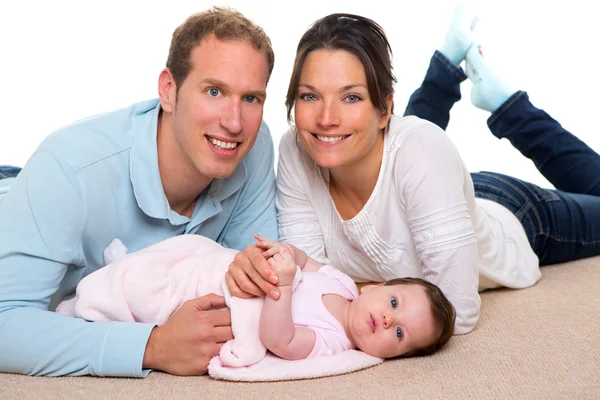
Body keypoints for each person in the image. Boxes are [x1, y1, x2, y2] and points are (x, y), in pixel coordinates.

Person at [226, 10, 600, 336]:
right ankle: (446, 65)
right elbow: (308, 283)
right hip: (435, 192)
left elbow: (456, 309)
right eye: (309, 96)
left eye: (351, 96)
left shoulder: (422, 153)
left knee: (415, 143)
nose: (325, 118)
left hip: (516, 217)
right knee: (384, 141)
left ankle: (508, 106)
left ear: (385, 108)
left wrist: (360, 288)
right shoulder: (297, 147)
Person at [0, 7, 279, 377]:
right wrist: (153, 345)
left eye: (251, 98)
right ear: (168, 89)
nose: (234, 121)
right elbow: (7, 323)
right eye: (214, 91)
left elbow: (257, 285)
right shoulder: (68, 167)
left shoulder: (253, 144)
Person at [55, 233, 456, 360]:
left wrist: (281, 287)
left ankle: (89, 302)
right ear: (377, 287)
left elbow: (278, 339)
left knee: (149, 294)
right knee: (192, 249)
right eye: (394, 305)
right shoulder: (343, 284)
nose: (388, 321)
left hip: (222, 299)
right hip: (223, 268)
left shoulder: (333, 342)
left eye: (400, 335)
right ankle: (125, 265)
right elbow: (304, 260)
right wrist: (284, 253)